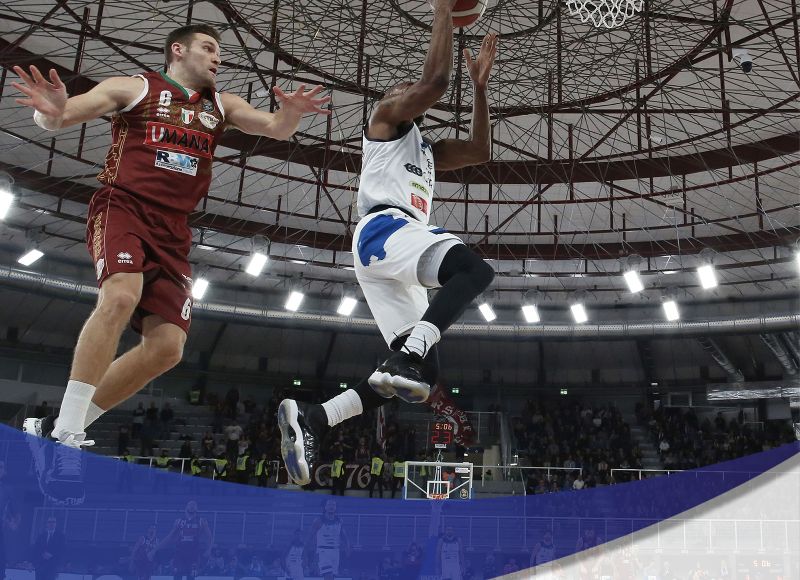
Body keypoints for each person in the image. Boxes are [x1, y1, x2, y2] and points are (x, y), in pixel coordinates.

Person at [13, 23, 331, 505]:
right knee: (121, 297)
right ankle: (66, 443)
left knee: (167, 349)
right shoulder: (134, 88)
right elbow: (60, 117)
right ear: (177, 50)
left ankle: (55, 425)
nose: (218, 57)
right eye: (209, 48)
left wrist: (290, 114)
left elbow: (273, 128)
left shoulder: (222, 105)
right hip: (124, 206)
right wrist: (51, 111)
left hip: (173, 229)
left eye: (219, 51)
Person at [278, 0, 497, 486]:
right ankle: (406, 355)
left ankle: (316, 418)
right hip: (386, 228)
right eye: (402, 90)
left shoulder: (427, 150)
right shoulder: (383, 120)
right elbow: (434, 84)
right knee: (474, 271)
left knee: (425, 374)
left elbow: (480, 151)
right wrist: (443, 9)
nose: (407, 92)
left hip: (387, 251)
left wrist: (480, 91)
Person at [153, 500, 212, 577]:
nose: (192, 506)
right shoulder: (179, 521)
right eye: (190, 504)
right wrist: (155, 549)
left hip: (193, 553)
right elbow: (169, 537)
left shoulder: (201, 521)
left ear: (197, 509)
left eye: (194, 504)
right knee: (177, 574)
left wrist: (209, 549)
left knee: (191, 575)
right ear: (186, 508)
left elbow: (209, 536)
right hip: (180, 552)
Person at [306, 500, 348, 580]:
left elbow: (344, 535)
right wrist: (305, 552)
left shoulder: (340, 521)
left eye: (333, 505)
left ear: (336, 508)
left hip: (336, 551)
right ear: (325, 507)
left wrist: (347, 546)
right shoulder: (318, 520)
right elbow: (310, 536)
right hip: (323, 551)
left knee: (332, 576)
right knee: (328, 575)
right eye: (329, 505)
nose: (331, 506)